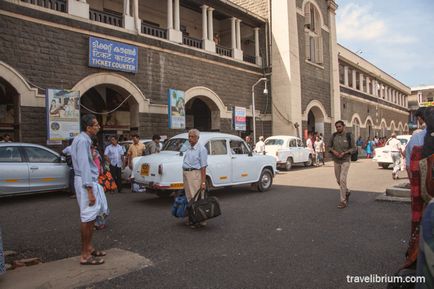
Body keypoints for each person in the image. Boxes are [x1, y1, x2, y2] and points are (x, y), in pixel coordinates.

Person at [70, 114, 108, 265]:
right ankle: (85, 255)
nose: (98, 127)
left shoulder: (84, 140)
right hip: (86, 182)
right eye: (96, 125)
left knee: (92, 217)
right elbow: (84, 165)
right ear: (88, 128)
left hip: (88, 181)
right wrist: (90, 190)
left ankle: (89, 248)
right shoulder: (82, 141)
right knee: (87, 218)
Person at [182, 129, 208, 228]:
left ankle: (200, 220)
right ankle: (192, 218)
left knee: (196, 198)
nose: (190, 138)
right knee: (189, 198)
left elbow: (203, 167)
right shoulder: (189, 148)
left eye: (192, 136)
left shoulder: (201, 149)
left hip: (195, 174)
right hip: (186, 173)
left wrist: (203, 182)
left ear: (198, 138)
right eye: (189, 136)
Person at [328, 120, 356, 209]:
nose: (338, 128)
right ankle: (347, 191)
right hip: (336, 160)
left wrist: (345, 152)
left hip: (345, 160)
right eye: (337, 127)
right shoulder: (333, 136)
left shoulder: (349, 136)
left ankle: (343, 201)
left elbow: (354, 148)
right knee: (338, 180)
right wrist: (334, 151)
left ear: (343, 126)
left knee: (342, 179)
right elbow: (329, 146)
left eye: (340, 126)